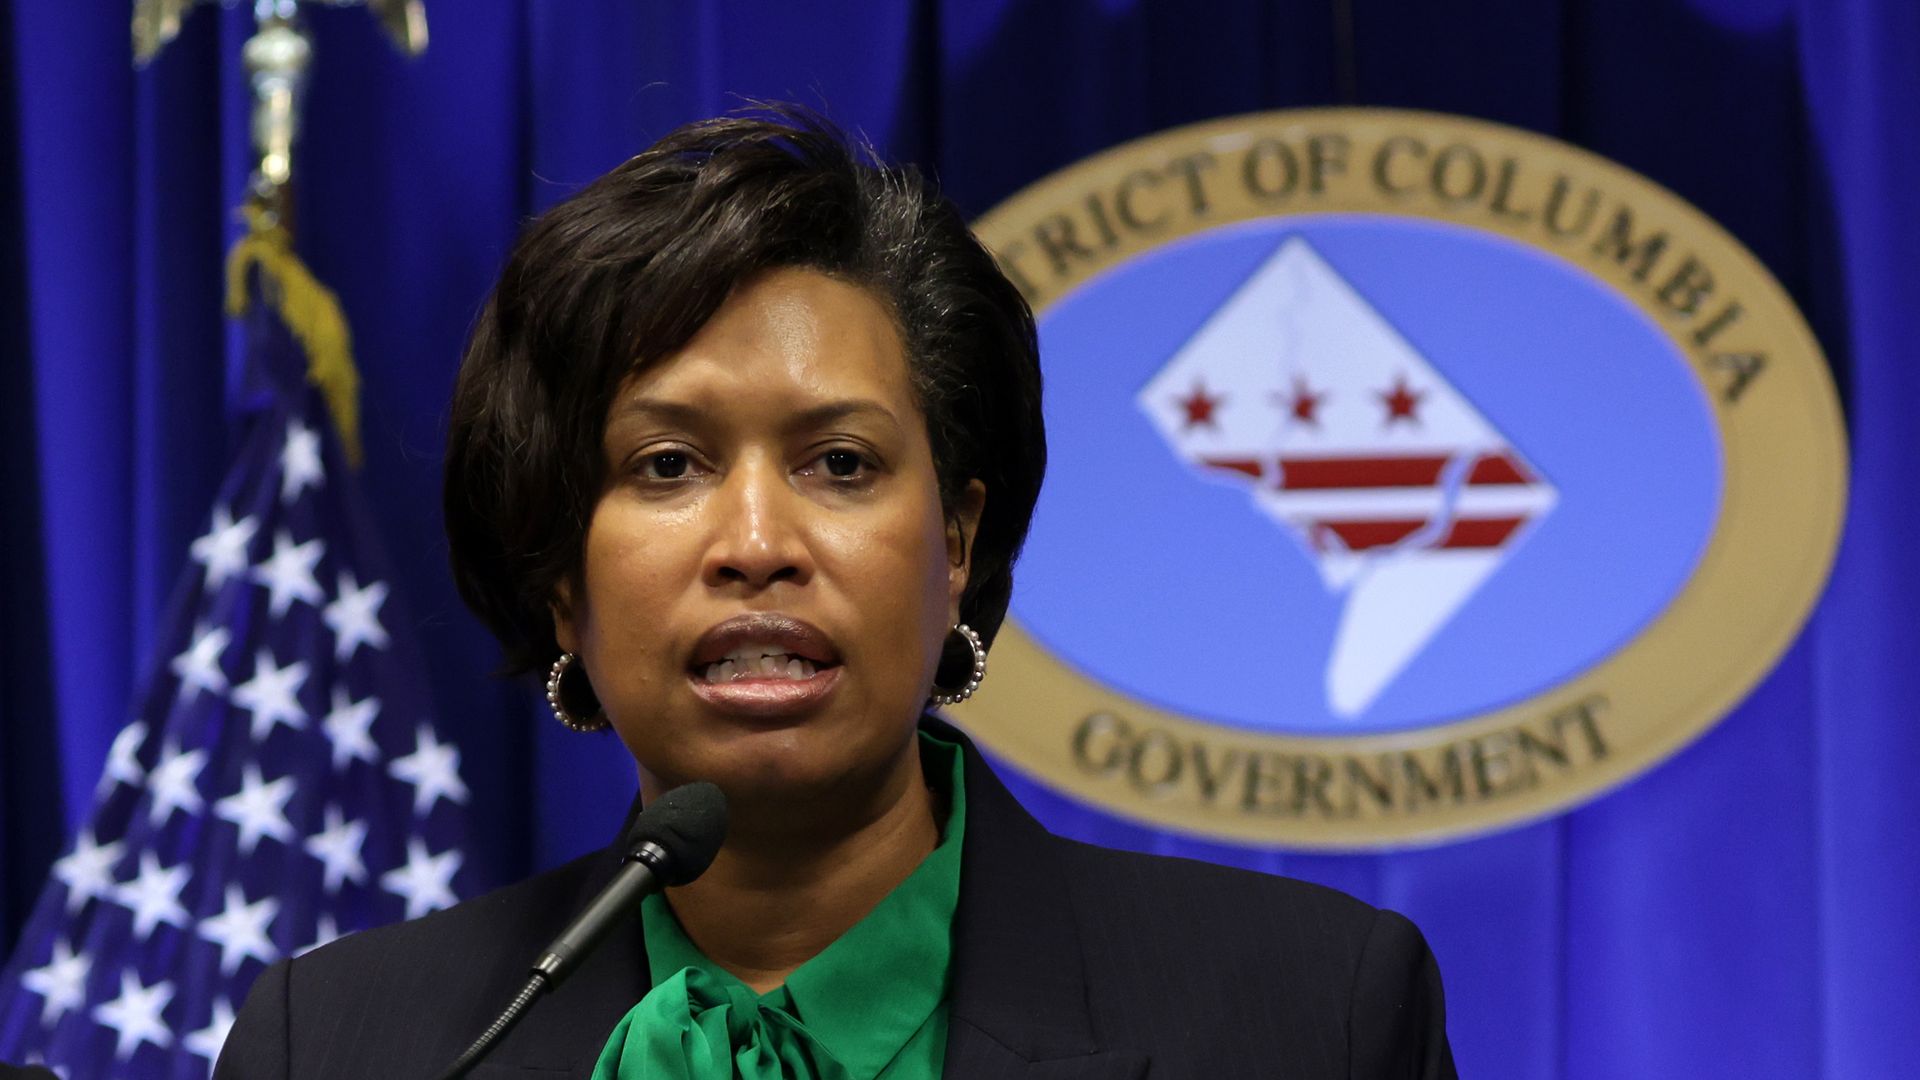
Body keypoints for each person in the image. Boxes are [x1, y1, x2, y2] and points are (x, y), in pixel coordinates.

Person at [216, 110, 1457, 1080]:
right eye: (666, 466)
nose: (757, 542)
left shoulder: (1310, 1017)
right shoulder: (342, 1047)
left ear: (958, 543)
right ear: (557, 581)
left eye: (842, 464)